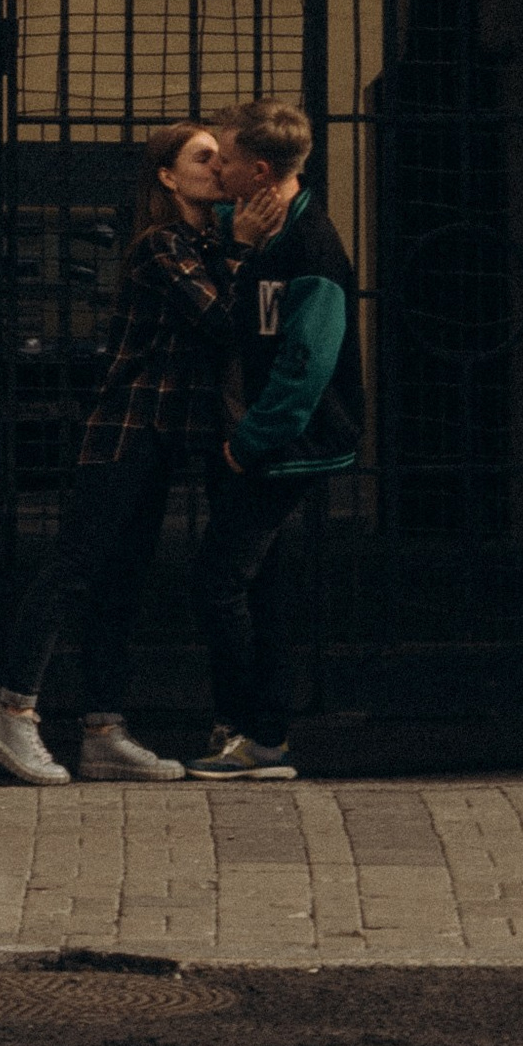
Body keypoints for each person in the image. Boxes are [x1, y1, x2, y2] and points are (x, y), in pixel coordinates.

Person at [0, 122, 289, 787]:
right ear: (167, 177)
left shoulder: (204, 244)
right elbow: (221, 322)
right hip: (125, 432)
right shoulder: (160, 245)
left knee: (121, 583)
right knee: (74, 568)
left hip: (162, 439)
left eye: (221, 157)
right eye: (203, 157)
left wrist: (238, 248)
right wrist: (241, 249)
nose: (219, 166)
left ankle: (104, 732)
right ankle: (12, 712)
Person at [186, 97, 363, 782]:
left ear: (259, 171)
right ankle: (262, 735)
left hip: (284, 446)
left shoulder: (311, 247)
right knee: (261, 588)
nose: (216, 170)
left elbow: (306, 365)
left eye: (225, 159)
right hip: (261, 442)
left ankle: (248, 733)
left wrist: (250, 442)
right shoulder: (259, 232)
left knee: (218, 580)